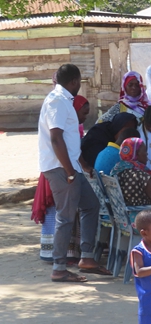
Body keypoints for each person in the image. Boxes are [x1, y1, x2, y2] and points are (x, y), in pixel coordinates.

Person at [38, 64, 111, 282]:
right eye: (79, 82)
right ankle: (59, 268)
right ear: (74, 82)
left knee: (91, 205)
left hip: (71, 166)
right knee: (66, 216)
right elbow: (56, 138)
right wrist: (70, 171)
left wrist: (81, 165)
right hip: (60, 168)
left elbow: (70, 141)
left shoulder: (64, 101)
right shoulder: (57, 101)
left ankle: (87, 257)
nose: (79, 86)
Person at [33, 92, 90, 263]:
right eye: (84, 113)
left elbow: (74, 150)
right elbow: (60, 144)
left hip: (63, 168)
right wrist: (71, 172)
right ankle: (56, 257)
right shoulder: (65, 123)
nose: (86, 117)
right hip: (61, 169)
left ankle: (65, 254)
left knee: (66, 211)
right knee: (60, 212)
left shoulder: (74, 126)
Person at [111, 137, 151, 208]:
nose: (147, 154)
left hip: (125, 215)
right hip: (143, 215)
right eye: (145, 151)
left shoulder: (117, 170)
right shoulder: (139, 175)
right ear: (136, 154)